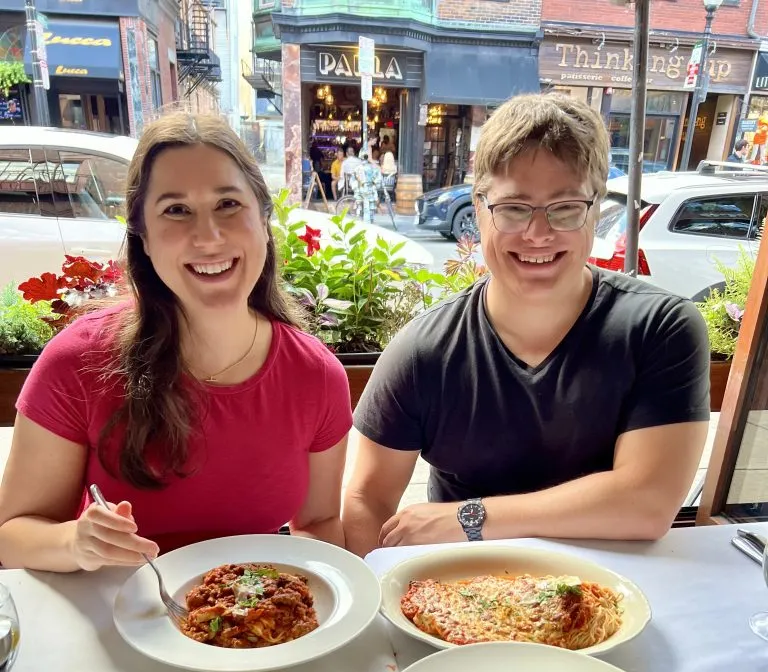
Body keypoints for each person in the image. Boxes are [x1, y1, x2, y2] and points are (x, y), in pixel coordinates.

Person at [343, 93, 710, 555]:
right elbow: (367, 499)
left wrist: (468, 518)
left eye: (565, 208)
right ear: (479, 209)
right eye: (514, 208)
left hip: (613, 594)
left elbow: (647, 503)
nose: (538, 233)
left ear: (595, 209)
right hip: (461, 599)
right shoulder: (425, 351)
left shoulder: (660, 329)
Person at [0, 111, 352, 572]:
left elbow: (320, 520)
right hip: (112, 621)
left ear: (263, 219)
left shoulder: (317, 376)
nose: (208, 236)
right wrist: (75, 543)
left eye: (228, 204)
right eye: (176, 210)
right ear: (143, 238)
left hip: (256, 625)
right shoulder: (77, 362)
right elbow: (12, 535)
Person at [350, 152, 383, 224]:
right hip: (369, 189)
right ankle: (369, 222)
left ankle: (363, 222)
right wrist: (374, 184)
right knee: (370, 208)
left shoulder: (357, 168)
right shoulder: (372, 167)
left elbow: (352, 181)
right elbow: (378, 179)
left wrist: (355, 188)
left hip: (361, 190)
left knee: (360, 208)